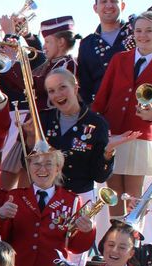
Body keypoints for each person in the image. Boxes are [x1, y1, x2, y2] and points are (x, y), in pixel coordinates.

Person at [91, 11, 152, 214]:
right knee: (112, 194)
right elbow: (103, 96)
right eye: (138, 30)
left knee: (133, 197)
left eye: (149, 30)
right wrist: (95, 126)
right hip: (113, 132)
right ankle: (113, 237)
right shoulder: (119, 59)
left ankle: (131, 238)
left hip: (139, 136)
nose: (143, 35)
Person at [38, 69, 132, 199]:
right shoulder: (43, 119)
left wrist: (108, 151)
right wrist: (31, 137)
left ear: (75, 88)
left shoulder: (97, 123)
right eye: (51, 91)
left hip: (80, 199)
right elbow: (27, 165)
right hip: (47, 197)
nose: (57, 94)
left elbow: (100, 177)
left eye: (63, 87)